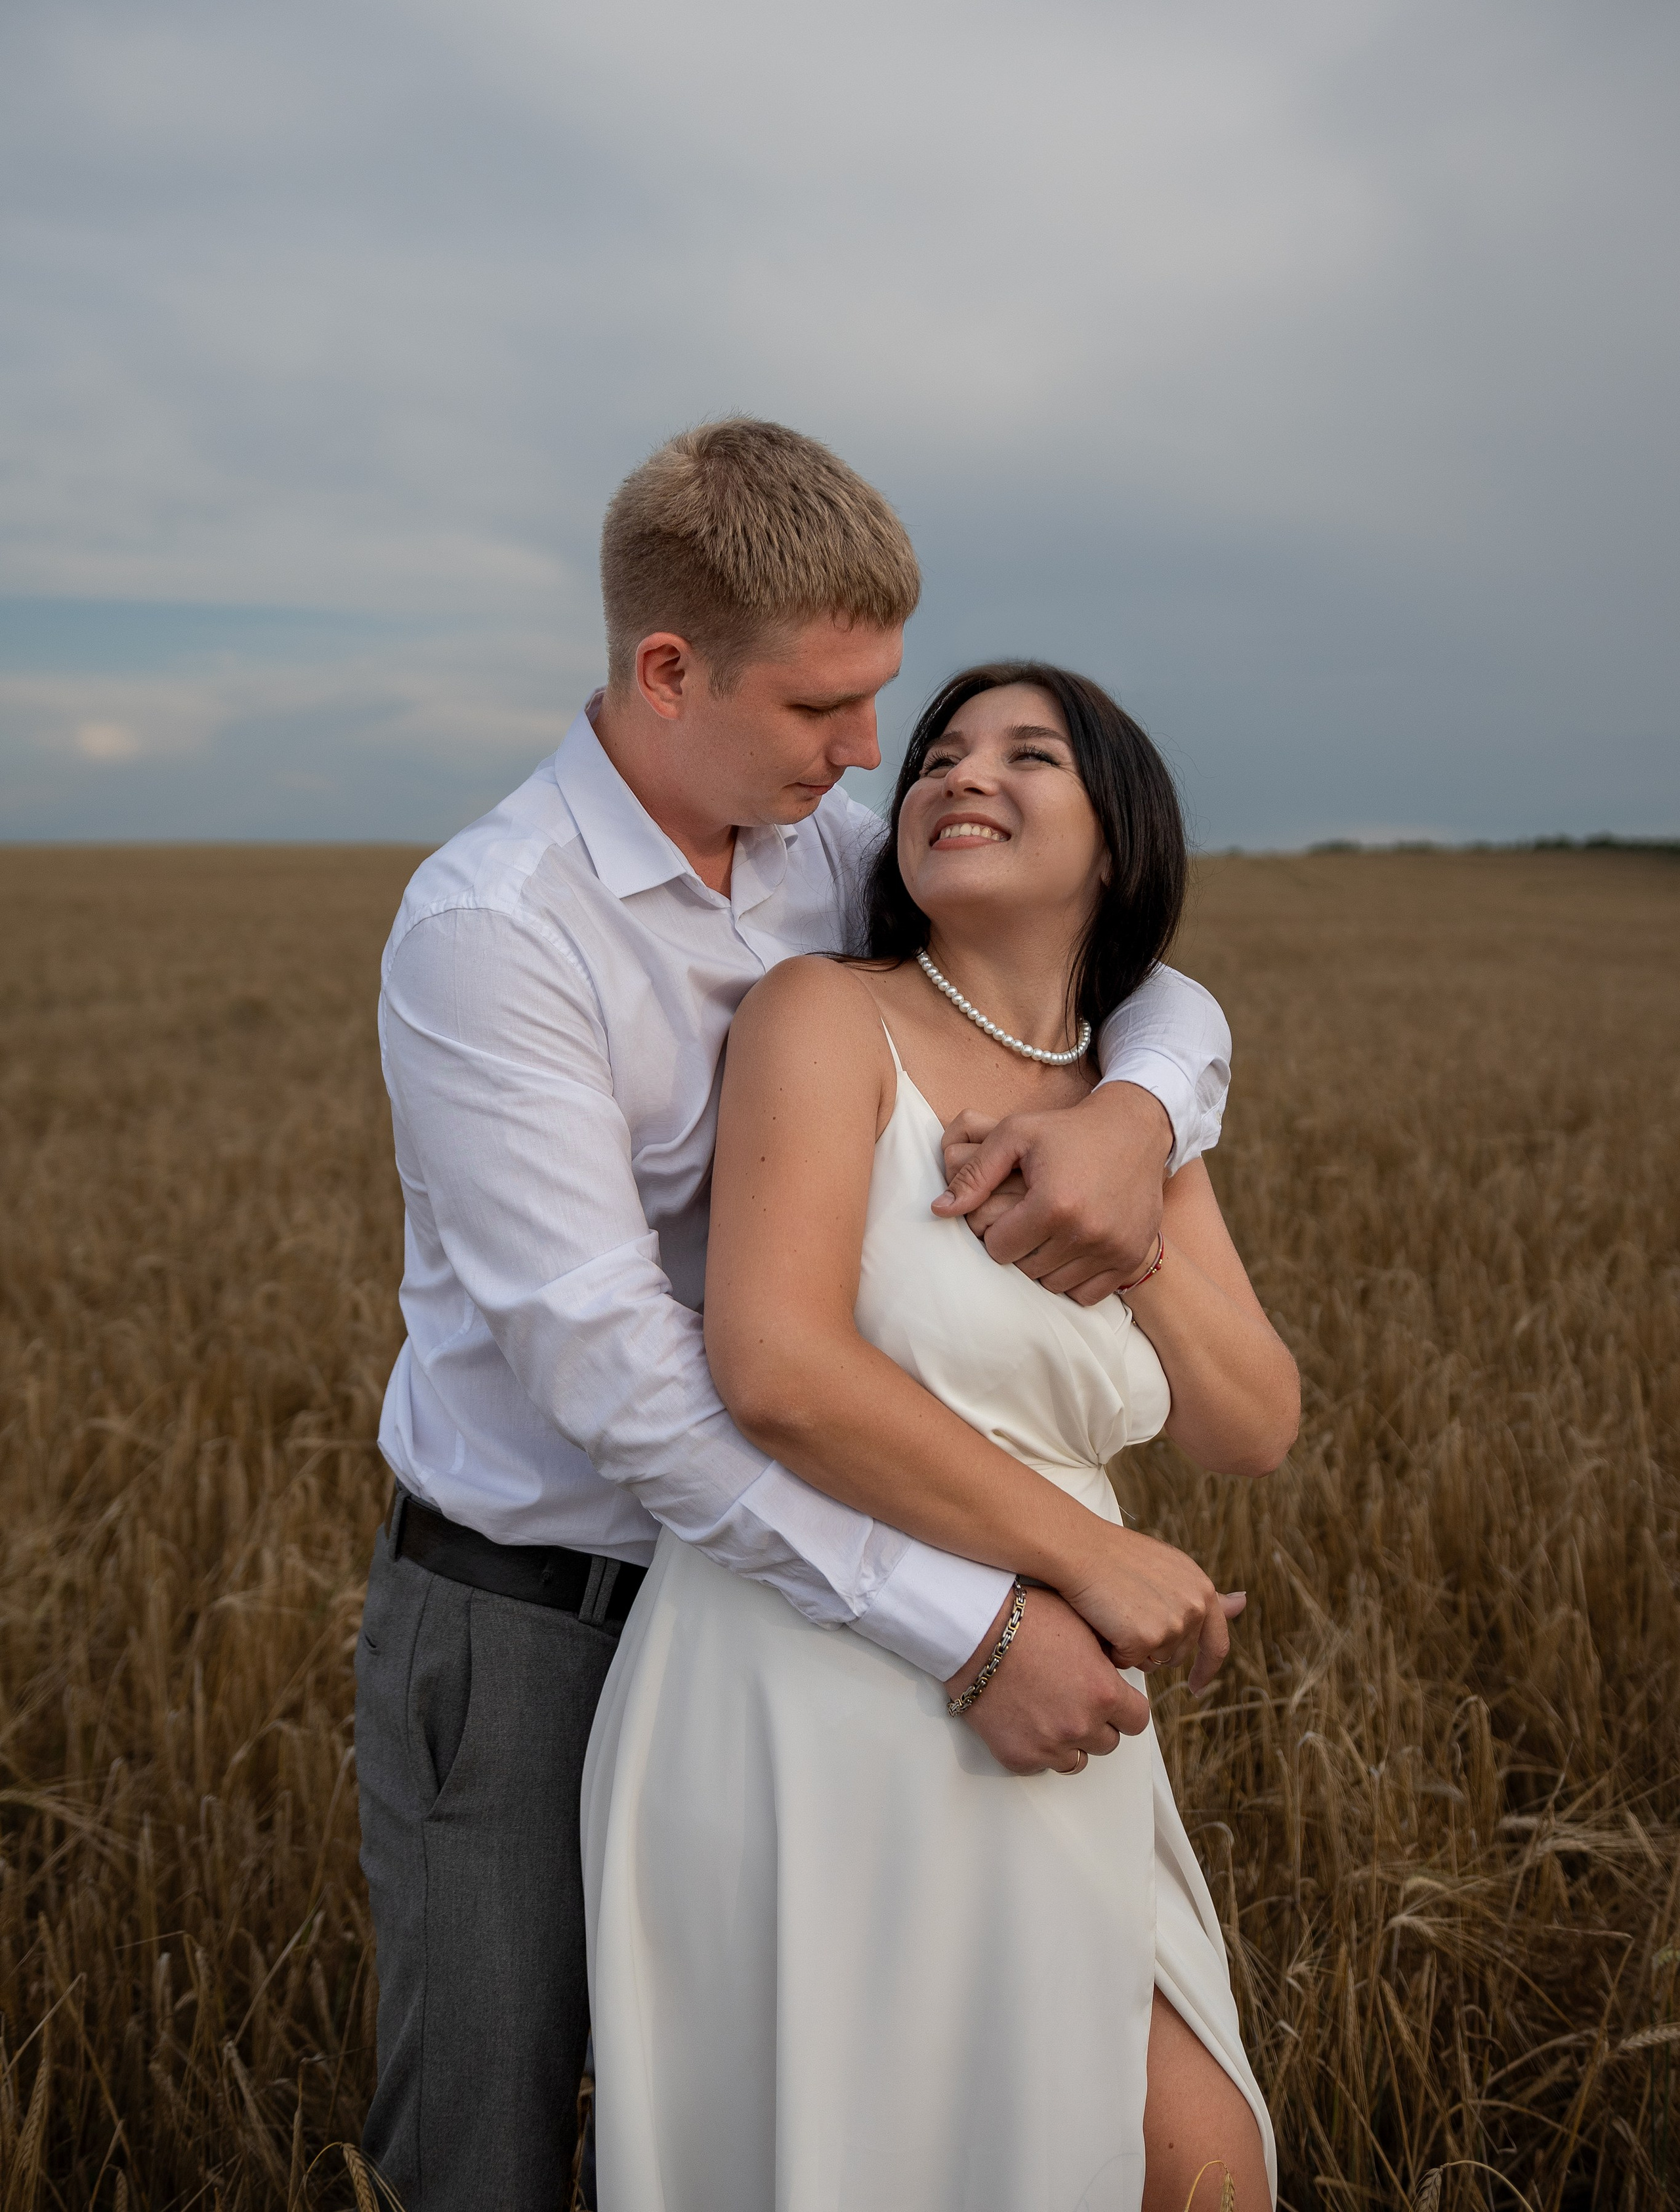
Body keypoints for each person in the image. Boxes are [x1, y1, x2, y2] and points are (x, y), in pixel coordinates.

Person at [354, 421, 1242, 2212]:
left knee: (841, 2122)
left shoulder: (828, 854)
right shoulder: (494, 930)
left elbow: (1138, 986)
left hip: (804, 1619)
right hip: (543, 1617)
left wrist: (1137, 1121)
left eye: (879, 707)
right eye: (824, 709)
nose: (868, 757)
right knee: (491, 2151)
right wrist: (977, 1624)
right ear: (667, 671)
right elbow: (628, 1384)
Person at [582, 660, 1297, 2212]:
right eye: (937, 755)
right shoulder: (823, 1014)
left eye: (1028, 755)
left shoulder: (1131, 1097)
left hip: (1057, 1690)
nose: (959, 775)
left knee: (1196, 2165)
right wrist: (1092, 1556)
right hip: (820, 1664)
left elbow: (1251, 1423)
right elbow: (773, 1366)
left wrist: (1111, 1194)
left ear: (1113, 843)